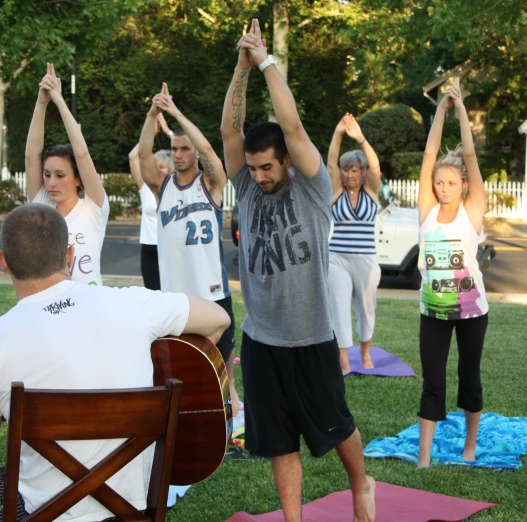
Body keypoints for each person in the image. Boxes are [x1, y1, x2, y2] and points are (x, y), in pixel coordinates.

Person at [0, 203, 231, 522]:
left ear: (3, 261)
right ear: (69, 254)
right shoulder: (133, 305)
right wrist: (162, 363)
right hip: (131, 511)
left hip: (39, 513)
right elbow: (218, 319)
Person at [220, 20, 375, 522]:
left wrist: (266, 61)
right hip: (262, 339)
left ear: (286, 161)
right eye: (254, 167)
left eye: (267, 167)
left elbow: (293, 127)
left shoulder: (310, 186)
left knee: (337, 424)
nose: (259, 176)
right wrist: (240, 71)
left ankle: (360, 483)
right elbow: (228, 130)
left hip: (311, 336)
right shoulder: (245, 185)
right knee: (279, 439)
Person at [137, 82, 240, 416]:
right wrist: (153, 114)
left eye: (184, 148)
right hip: (175, 295)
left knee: (223, 356)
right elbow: (142, 156)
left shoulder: (210, 184)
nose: (179, 154)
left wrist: (176, 112)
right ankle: (186, 411)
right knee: (180, 357)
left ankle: (228, 409)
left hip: (211, 288)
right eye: (175, 149)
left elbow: (210, 150)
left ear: (193, 151)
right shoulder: (162, 186)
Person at [416, 78, 488, 468]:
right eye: (439, 183)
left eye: (450, 183)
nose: (443, 188)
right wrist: (440, 110)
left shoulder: (471, 210)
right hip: (433, 313)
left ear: (463, 186)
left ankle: (470, 446)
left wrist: (460, 107)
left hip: (473, 313)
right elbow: (430, 155)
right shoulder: (427, 210)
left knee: (469, 378)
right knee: (433, 382)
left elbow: (472, 157)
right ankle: (424, 456)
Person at [25, 63, 109, 286]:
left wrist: (59, 101)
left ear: (77, 178)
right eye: (47, 174)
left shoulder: (94, 210)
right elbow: (31, 156)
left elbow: (81, 153)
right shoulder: (42, 206)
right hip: (52, 309)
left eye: (60, 175)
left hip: (89, 310)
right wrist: (42, 102)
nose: (51, 183)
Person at [326, 113, 382, 374]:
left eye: (354, 170)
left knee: (366, 307)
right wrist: (338, 133)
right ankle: (344, 360)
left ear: (362, 174)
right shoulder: (336, 191)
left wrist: (359, 138)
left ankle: (365, 352)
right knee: (339, 306)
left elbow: (376, 167)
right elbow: (330, 165)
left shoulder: (371, 191)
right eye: (346, 170)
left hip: (366, 260)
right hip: (337, 257)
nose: (349, 174)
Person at [127, 113, 174, 290]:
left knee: (172, 293)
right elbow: (133, 157)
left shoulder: (177, 188)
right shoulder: (145, 187)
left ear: (171, 169)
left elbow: (197, 156)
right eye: (155, 166)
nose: (157, 171)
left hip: (171, 248)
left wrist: (169, 133)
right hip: (149, 248)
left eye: (161, 167)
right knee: (152, 293)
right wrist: (151, 133)